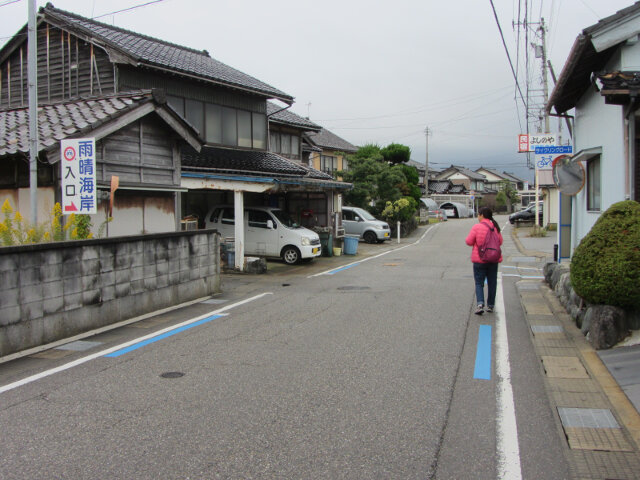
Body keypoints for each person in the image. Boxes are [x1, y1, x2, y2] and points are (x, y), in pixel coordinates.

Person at [465, 207, 503, 315]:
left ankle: (480, 304)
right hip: (493, 259)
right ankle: (490, 305)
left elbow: (468, 241)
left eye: (478, 214)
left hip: (479, 259)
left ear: (482, 215)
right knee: (492, 282)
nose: (478, 216)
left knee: (479, 282)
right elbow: (500, 241)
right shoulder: (495, 227)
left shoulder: (477, 227)